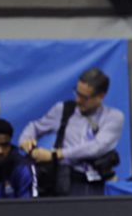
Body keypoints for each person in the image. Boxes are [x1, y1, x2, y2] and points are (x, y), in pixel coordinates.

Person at [19, 68, 124, 197]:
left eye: (84, 97)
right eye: (77, 93)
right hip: (66, 182)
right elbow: (35, 126)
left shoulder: (113, 117)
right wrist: (26, 139)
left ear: (100, 96)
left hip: (97, 183)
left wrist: (56, 154)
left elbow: (97, 147)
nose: (78, 100)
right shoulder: (64, 110)